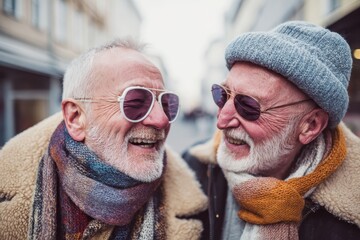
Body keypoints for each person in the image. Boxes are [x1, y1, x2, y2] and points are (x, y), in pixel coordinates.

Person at [0, 39, 207, 239]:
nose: (161, 120)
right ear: (76, 118)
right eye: (136, 102)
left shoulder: (201, 209)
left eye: (167, 103)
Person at [183, 21, 360, 240]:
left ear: (310, 126)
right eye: (222, 94)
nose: (222, 120)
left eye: (248, 106)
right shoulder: (191, 169)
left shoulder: (353, 217)